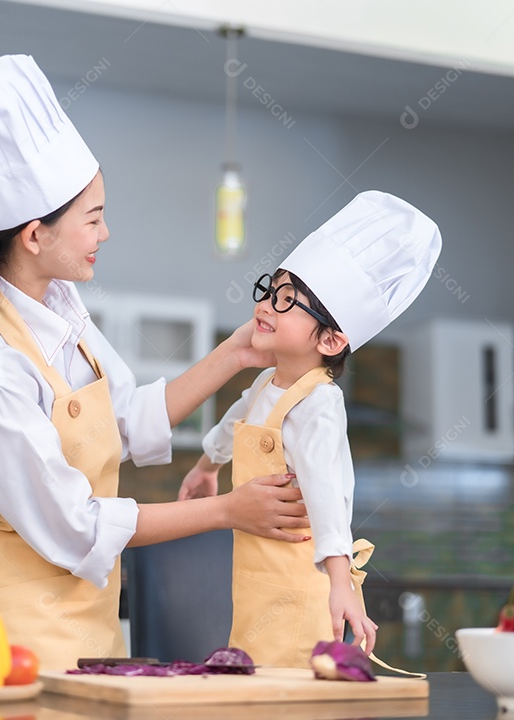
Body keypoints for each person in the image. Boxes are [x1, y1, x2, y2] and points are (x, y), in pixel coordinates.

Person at [0, 55, 310, 671]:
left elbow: (129, 418)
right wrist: (228, 510)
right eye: (93, 219)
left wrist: (234, 355)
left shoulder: (62, 309)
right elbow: (76, 526)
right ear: (35, 235)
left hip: (87, 627)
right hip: (6, 640)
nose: (106, 233)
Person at [179, 191, 442, 669]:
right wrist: (205, 466)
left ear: (330, 339)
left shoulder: (320, 403)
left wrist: (340, 582)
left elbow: (325, 493)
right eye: (269, 289)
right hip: (254, 586)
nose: (266, 305)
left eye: (286, 301)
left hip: (300, 593)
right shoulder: (265, 383)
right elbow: (232, 423)